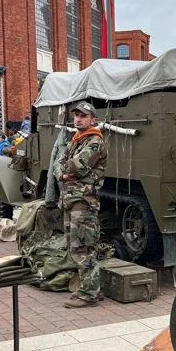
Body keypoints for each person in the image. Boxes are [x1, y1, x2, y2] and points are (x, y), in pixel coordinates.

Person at [57, 102, 108, 307]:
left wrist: (66, 172)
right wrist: (63, 172)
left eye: (83, 116)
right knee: (74, 247)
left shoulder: (95, 142)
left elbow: (75, 166)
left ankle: (89, 294)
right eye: (76, 115)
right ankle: (90, 288)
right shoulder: (76, 141)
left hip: (83, 202)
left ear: (93, 119)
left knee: (83, 248)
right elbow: (59, 165)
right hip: (72, 200)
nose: (78, 119)